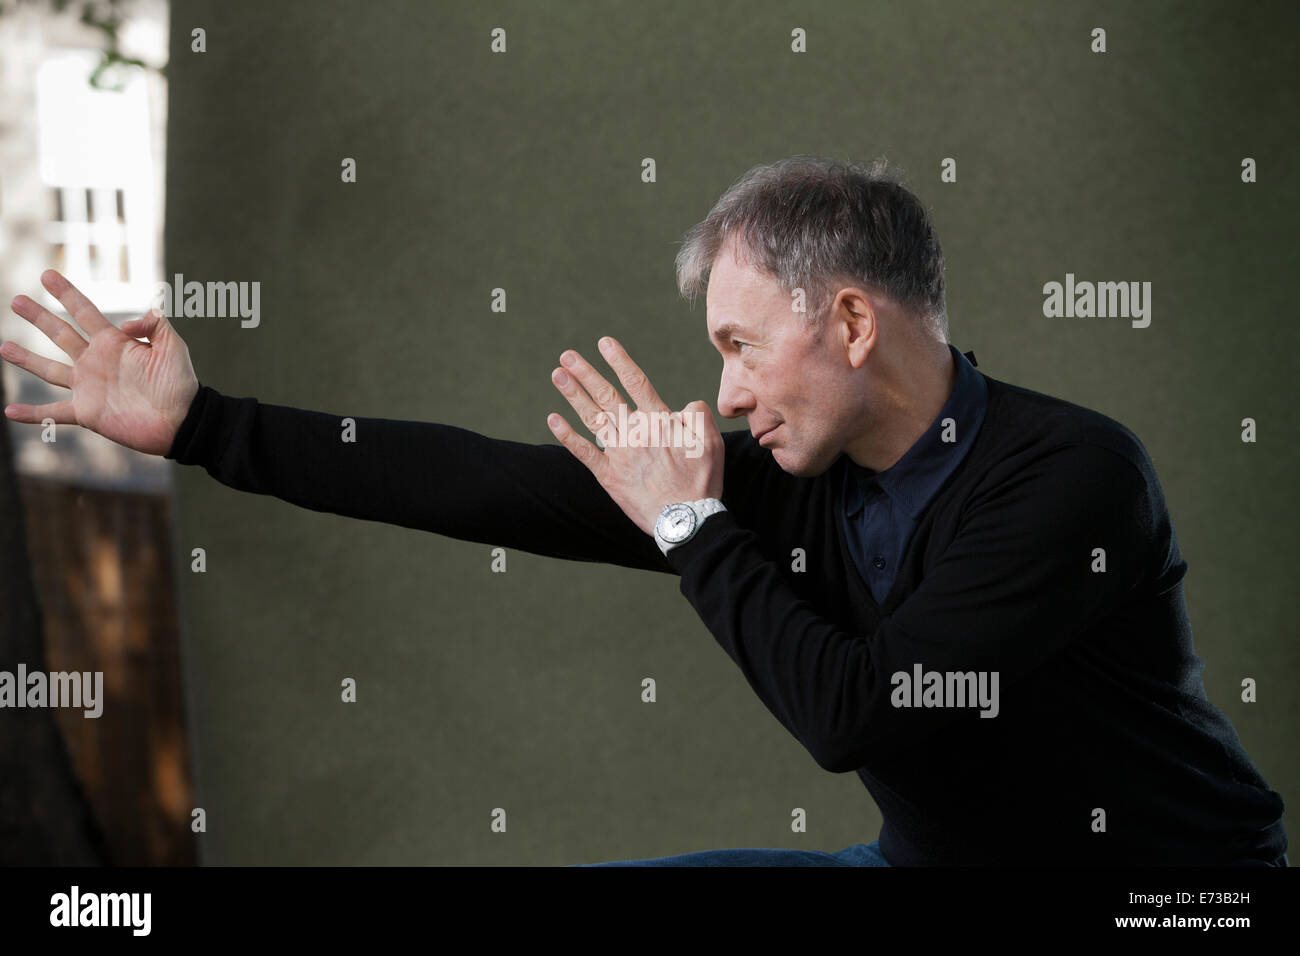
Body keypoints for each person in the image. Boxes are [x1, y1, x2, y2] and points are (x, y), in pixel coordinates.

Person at [3, 156, 1286, 867]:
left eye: (738, 344)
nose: (720, 392)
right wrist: (204, 426)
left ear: (850, 320)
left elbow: (859, 708)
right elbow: (486, 480)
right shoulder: (789, 475)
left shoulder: (1070, 476)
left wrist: (692, 529)